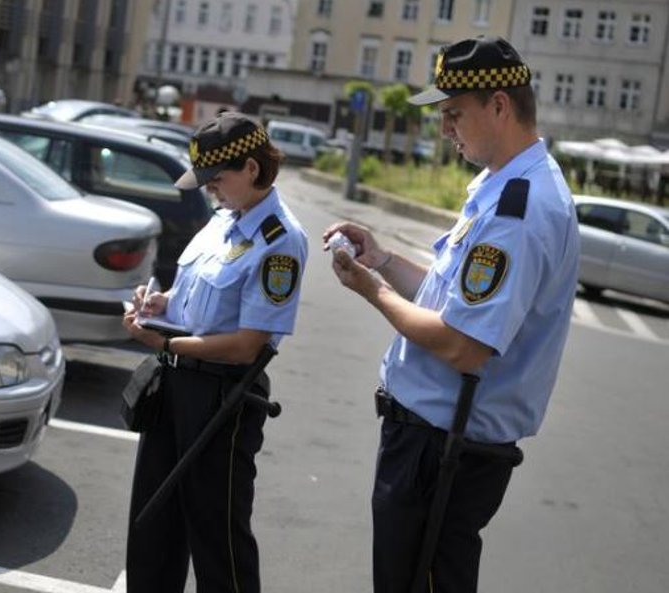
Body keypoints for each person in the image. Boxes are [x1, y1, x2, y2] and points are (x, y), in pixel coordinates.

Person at [324, 37, 579, 593]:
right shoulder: (502, 188)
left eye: (453, 114)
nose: (445, 130)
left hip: (444, 449)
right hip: (430, 442)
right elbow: (452, 300)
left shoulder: (523, 205)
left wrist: (371, 291)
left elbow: (464, 344)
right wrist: (385, 262)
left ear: (499, 106)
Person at [122, 112, 308, 593]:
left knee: (217, 538)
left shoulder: (280, 240)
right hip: (176, 383)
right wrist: (160, 306)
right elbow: (195, 299)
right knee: (152, 524)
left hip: (221, 396)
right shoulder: (223, 220)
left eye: (217, 180)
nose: (210, 191)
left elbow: (248, 345)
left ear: (251, 168)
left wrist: (162, 341)